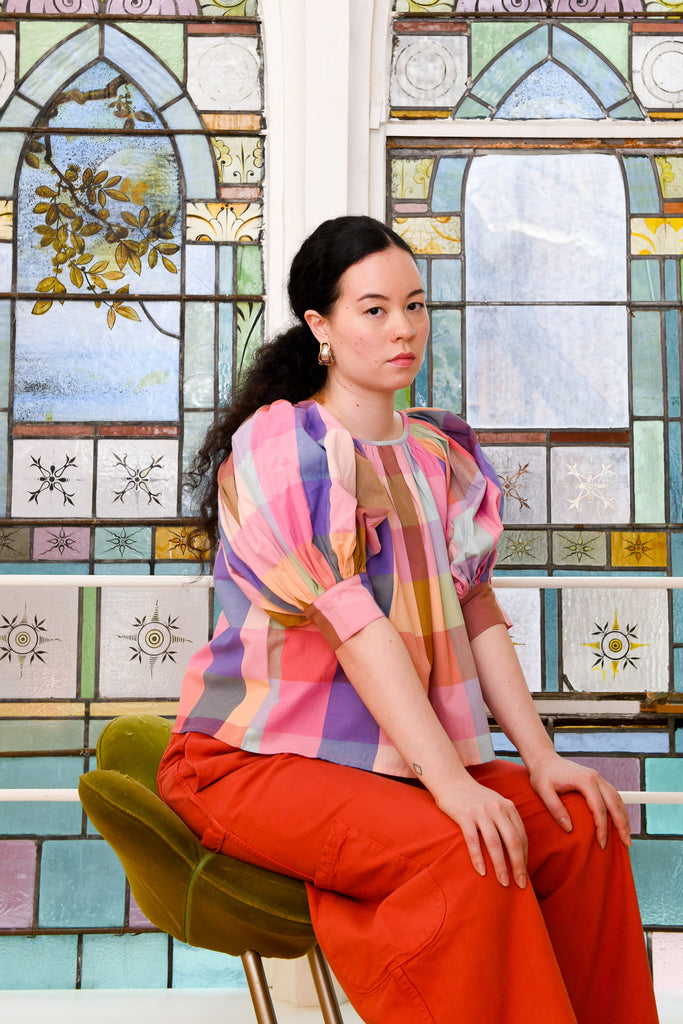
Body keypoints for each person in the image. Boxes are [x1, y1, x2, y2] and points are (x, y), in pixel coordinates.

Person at [158, 216, 659, 1024]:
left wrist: (541, 759)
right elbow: (354, 629)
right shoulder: (287, 447)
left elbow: (476, 609)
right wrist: (451, 784)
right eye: (374, 310)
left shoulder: (437, 453)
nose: (403, 328)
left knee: (579, 828)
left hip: (392, 758)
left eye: (414, 305)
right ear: (320, 326)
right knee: (464, 847)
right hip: (251, 758)